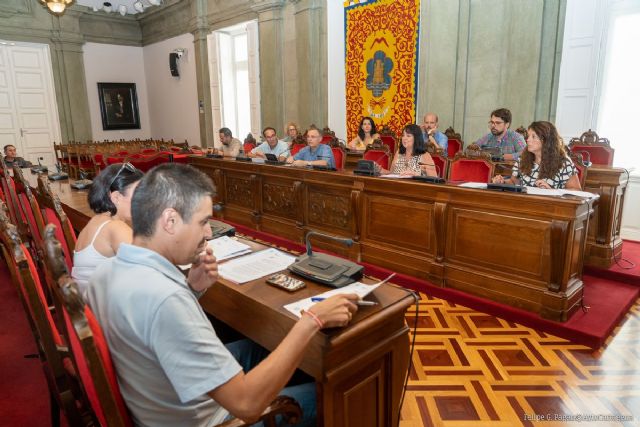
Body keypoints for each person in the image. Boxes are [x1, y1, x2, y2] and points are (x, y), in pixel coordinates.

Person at [85, 163, 359, 426]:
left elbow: (153, 332)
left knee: (266, 346)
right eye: (203, 221)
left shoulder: (104, 273)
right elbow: (248, 405)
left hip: (161, 397)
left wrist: (191, 288)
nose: (208, 233)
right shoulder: (166, 299)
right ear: (170, 221)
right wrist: (312, 319)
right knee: (341, 389)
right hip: (211, 418)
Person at [72, 162, 144, 299]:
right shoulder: (115, 227)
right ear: (116, 197)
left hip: (89, 308)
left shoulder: (96, 221)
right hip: (104, 313)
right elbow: (147, 274)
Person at [491, 121, 581, 190]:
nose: (528, 140)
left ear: (546, 140)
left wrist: (552, 191)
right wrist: (502, 182)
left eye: (533, 137)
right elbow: (514, 182)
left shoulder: (563, 162)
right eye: (528, 136)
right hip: (526, 205)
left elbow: (577, 191)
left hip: (553, 209)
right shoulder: (523, 158)